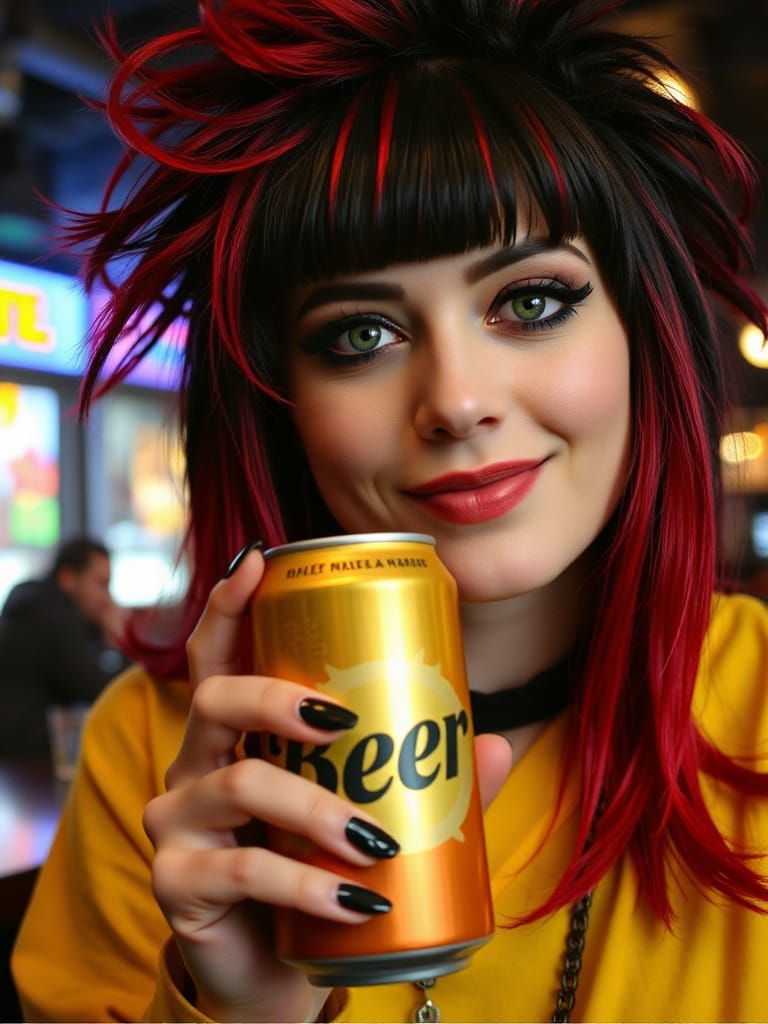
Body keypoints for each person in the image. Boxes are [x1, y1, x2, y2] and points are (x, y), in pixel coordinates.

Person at [11, 0, 768, 1020]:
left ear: (645, 331)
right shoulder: (149, 751)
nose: (457, 400)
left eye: (532, 301)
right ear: (283, 401)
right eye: (361, 334)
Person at [0, 536, 128, 759]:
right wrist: (123, 643)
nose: (107, 598)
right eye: (101, 584)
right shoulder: (55, 620)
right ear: (68, 579)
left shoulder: (32, 605)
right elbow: (99, 691)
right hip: (28, 760)